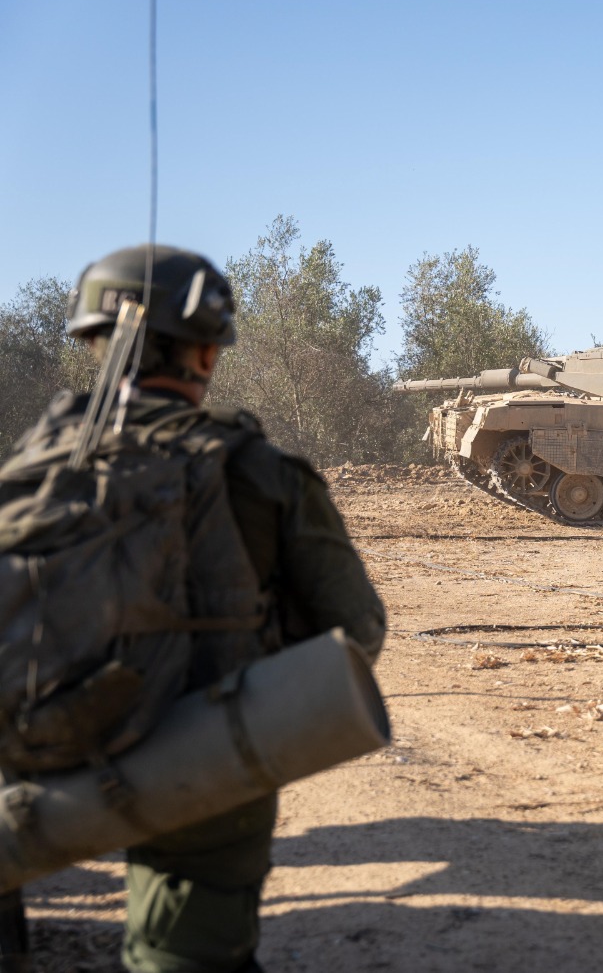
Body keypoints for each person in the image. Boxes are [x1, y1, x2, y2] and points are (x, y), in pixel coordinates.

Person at [24, 245, 388, 972]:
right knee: (183, 954)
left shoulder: (30, 466)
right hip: (200, 756)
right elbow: (358, 631)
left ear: (95, 342)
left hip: (34, 748)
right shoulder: (260, 471)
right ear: (205, 350)